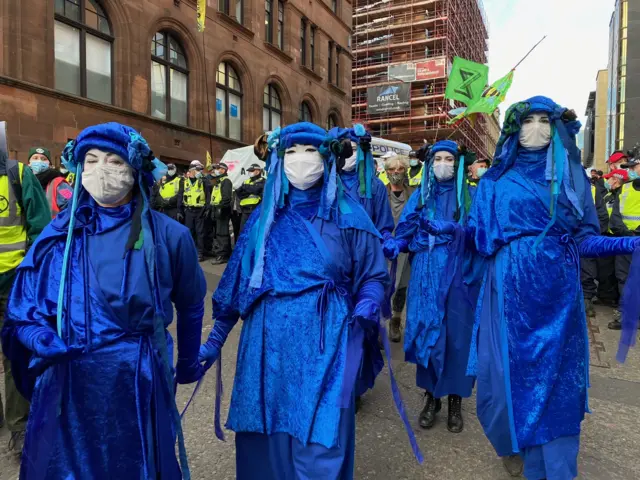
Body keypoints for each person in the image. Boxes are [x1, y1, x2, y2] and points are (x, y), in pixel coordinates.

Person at [1, 122, 207, 478]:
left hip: (136, 380)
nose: (100, 171)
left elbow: (191, 305)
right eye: (91, 160)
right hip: (68, 383)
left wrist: (187, 363)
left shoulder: (171, 236)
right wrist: (39, 338)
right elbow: (23, 311)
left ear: (134, 168)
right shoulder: (59, 235)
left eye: (113, 160)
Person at [198, 123, 390, 479]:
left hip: (326, 340)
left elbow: (374, 275)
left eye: (310, 152)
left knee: (321, 442)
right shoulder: (263, 219)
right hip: (266, 344)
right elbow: (235, 285)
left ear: (327, 158)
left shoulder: (350, 215)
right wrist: (213, 341)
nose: (301, 161)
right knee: (265, 435)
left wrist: (367, 304)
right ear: (277, 160)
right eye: (290, 152)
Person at [467, 96, 640, 480]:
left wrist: (627, 242)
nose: (538, 127)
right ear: (516, 127)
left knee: (558, 386)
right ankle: (515, 444)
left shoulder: (572, 177)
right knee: (503, 386)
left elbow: (585, 240)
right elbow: (477, 241)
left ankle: (554, 469)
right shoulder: (494, 181)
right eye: (529, 119)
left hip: (559, 297)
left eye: (546, 119)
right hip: (507, 295)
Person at [384, 140, 476, 435]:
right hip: (425, 275)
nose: (443, 164)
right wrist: (396, 243)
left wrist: (455, 229)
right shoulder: (422, 196)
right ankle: (431, 399)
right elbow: (408, 227)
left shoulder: (470, 197)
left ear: (458, 163)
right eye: (438, 158)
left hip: (459, 276)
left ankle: (454, 402)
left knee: (457, 339)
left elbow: (482, 236)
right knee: (428, 335)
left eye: (449, 158)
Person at [0, 132, 51, 456]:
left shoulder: (18, 174)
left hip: (12, 282)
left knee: (14, 355)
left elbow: (40, 227)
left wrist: (27, 276)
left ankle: (19, 427)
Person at [383, 154, 416, 343]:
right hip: (385, 246)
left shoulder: (413, 194)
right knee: (384, 284)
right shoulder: (380, 193)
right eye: (392, 170)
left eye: (400, 169)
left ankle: (396, 320)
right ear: (386, 172)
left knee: (402, 285)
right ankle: (381, 321)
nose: (396, 173)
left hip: (406, 247)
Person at [608, 159, 640, 330]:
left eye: (635, 167)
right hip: (626, 241)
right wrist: (626, 233)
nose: (632, 170)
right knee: (624, 278)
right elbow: (615, 216)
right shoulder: (625, 188)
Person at [28, 146, 73, 218]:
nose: (39, 161)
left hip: (52, 227)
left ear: (49, 165)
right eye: (35, 158)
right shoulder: (24, 182)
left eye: (44, 159)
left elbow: (73, 206)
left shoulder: (60, 185)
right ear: (29, 163)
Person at [183, 160, 210, 261]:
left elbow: (208, 195)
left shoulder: (203, 181)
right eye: (197, 170)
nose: (199, 171)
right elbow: (181, 195)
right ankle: (190, 250)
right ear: (192, 170)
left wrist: (207, 209)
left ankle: (200, 253)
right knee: (189, 232)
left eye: (200, 170)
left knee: (200, 233)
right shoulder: (185, 181)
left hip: (200, 211)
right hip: (189, 210)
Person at [210, 162, 233, 265]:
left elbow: (226, 198)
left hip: (222, 210)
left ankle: (222, 255)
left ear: (223, 170)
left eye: (217, 169)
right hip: (216, 209)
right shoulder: (218, 181)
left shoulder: (226, 181)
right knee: (219, 232)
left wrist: (220, 208)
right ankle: (225, 253)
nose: (215, 170)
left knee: (222, 233)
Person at [235, 163, 265, 234]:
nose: (249, 172)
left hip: (256, 211)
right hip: (245, 211)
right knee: (243, 232)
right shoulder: (246, 181)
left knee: (254, 232)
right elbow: (239, 192)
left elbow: (256, 189)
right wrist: (250, 189)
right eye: (249, 171)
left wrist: (246, 188)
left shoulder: (263, 181)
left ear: (257, 171)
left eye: (251, 171)